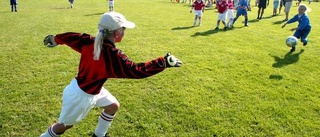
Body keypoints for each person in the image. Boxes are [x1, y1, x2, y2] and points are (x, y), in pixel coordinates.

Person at [40, 12, 182, 137]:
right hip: (81, 96)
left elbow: (69, 37)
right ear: (117, 33)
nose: (124, 32)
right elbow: (136, 70)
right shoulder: (113, 56)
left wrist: (55, 39)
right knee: (64, 126)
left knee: (113, 106)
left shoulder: (88, 40)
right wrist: (163, 62)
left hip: (89, 89)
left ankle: (99, 135)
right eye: (123, 29)